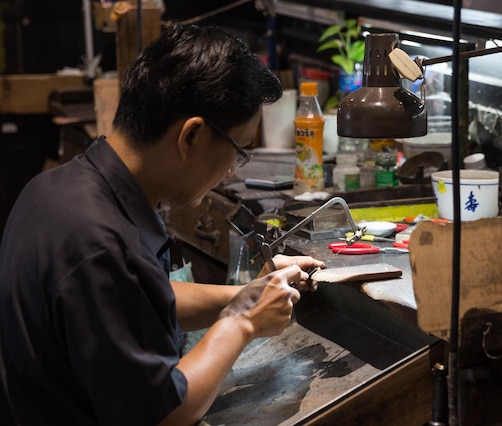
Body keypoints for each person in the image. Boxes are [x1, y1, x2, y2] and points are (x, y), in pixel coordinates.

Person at [0, 25, 325, 425]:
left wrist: (245, 295)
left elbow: (137, 295)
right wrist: (241, 323)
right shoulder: (100, 243)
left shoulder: (56, 189)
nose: (228, 173)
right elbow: (161, 414)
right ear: (191, 136)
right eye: (237, 151)